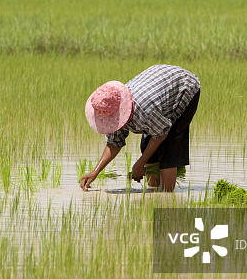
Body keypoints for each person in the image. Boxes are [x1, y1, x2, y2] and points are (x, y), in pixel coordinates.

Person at [80, 64, 200, 192]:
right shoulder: (113, 109)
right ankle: (153, 191)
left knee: (168, 147)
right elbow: (114, 143)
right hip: (158, 89)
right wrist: (95, 172)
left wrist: (140, 164)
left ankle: (167, 196)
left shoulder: (145, 111)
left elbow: (161, 134)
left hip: (183, 87)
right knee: (147, 145)